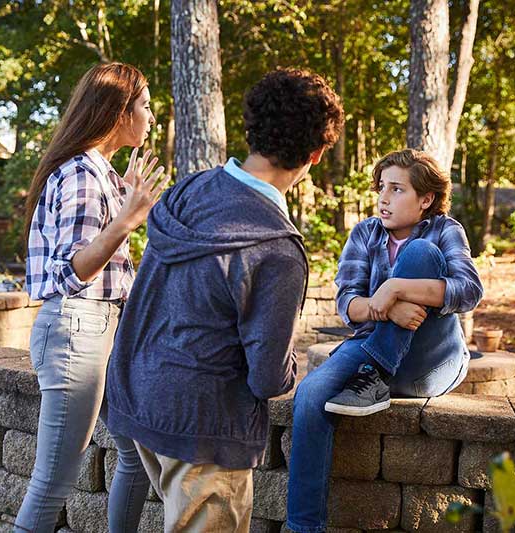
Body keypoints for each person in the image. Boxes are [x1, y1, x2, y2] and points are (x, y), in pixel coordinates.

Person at [103, 68, 344, 532]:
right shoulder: (277, 247)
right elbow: (269, 376)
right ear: (314, 153)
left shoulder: (189, 190)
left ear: (251, 129)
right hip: (206, 426)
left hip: (139, 396)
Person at [286, 148, 484, 533]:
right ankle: (303, 527)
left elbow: (468, 291)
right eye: (382, 188)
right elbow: (348, 304)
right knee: (309, 395)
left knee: (420, 252)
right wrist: (389, 310)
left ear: (425, 199)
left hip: (431, 359)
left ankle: (375, 373)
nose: (383, 198)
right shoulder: (365, 233)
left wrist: (394, 287)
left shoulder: (445, 230)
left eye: (397, 189)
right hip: (373, 349)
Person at [16, 62, 169, 533]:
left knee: (135, 454)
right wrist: (127, 219)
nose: (150, 117)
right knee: (53, 481)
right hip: (77, 332)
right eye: (144, 106)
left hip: (104, 327)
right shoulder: (81, 173)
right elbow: (73, 269)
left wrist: (125, 206)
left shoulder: (99, 172)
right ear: (119, 113)